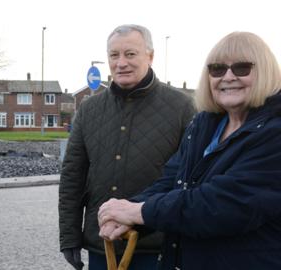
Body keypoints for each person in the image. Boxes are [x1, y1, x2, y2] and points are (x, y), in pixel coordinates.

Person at [97, 31, 281, 270]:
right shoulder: (205, 124)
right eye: (217, 69)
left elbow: (222, 205)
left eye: (242, 68)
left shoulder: (274, 133)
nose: (228, 77)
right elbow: (172, 181)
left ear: (265, 72)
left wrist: (138, 211)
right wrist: (131, 216)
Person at [59, 24, 195, 270]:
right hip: (103, 244)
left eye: (130, 54)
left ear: (150, 56)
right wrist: (69, 236)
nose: (121, 63)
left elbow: (190, 178)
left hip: (157, 247)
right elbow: (72, 176)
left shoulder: (182, 108)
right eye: (114, 55)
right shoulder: (89, 110)